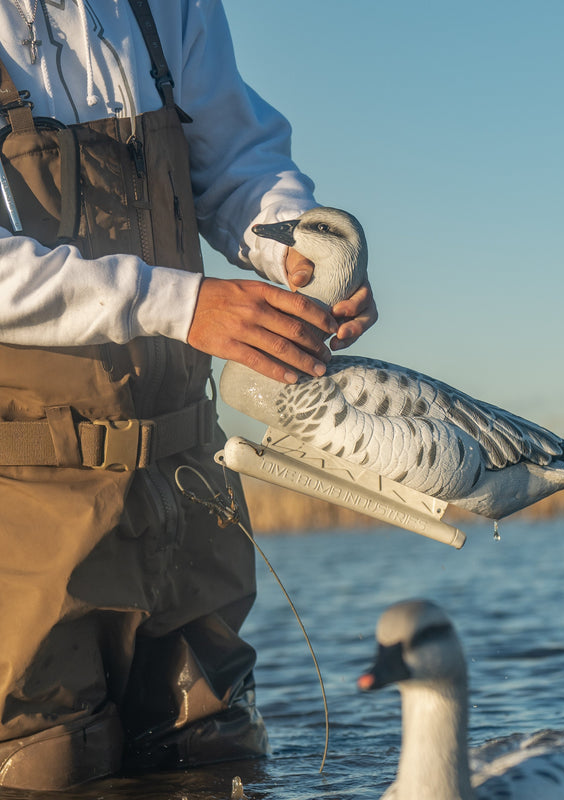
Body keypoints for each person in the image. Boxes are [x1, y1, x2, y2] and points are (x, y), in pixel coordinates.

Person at [0, 0, 377, 790]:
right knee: (51, 765)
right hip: (25, 503)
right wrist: (186, 304)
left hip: (190, 482)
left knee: (217, 753)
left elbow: (237, 159)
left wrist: (298, 251)